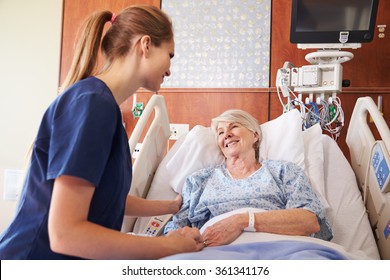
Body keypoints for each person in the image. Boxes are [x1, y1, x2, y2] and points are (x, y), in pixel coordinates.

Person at [0, 5, 204, 260]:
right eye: (170, 55)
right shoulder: (92, 105)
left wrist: (170, 206)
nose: (170, 69)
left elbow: (105, 197)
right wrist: (171, 246)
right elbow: (66, 235)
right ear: (146, 45)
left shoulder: (103, 108)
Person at [164, 109, 333, 247]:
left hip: (279, 252)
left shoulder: (283, 172)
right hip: (216, 256)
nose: (226, 135)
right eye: (221, 132)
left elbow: (310, 222)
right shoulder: (199, 180)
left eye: (234, 127)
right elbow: (174, 231)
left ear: (255, 136)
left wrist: (242, 221)